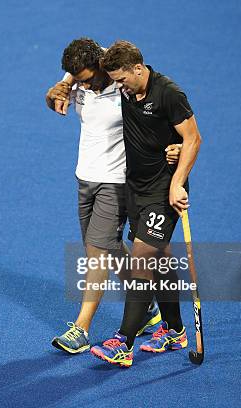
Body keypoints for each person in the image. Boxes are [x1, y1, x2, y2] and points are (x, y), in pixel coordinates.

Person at [44, 38, 182, 354]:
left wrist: (175, 147)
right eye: (78, 81)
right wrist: (60, 87)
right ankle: (146, 308)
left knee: (97, 253)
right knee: (107, 247)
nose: (86, 87)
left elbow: (160, 111)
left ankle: (81, 329)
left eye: (89, 79)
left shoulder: (125, 88)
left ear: (104, 68)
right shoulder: (78, 84)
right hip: (85, 178)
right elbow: (55, 98)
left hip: (116, 182)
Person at [88, 40, 202, 367]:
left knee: (141, 259)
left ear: (138, 68)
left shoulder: (169, 93)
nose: (117, 86)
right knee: (160, 256)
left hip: (164, 189)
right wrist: (66, 83)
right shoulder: (123, 83)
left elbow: (193, 138)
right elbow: (88, 59)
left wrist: (178, 181)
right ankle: (175, 330)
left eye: (121, 80)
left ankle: (123, 341)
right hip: (135, 187)